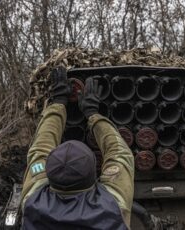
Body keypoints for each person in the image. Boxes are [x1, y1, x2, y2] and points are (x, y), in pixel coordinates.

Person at [21, 66, 134, 230]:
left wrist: (58, 103)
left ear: (49, 173)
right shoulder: (114, 204)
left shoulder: (32, 201)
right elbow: (120, 152)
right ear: (94, 174)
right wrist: (93, 114)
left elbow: (40, 147)